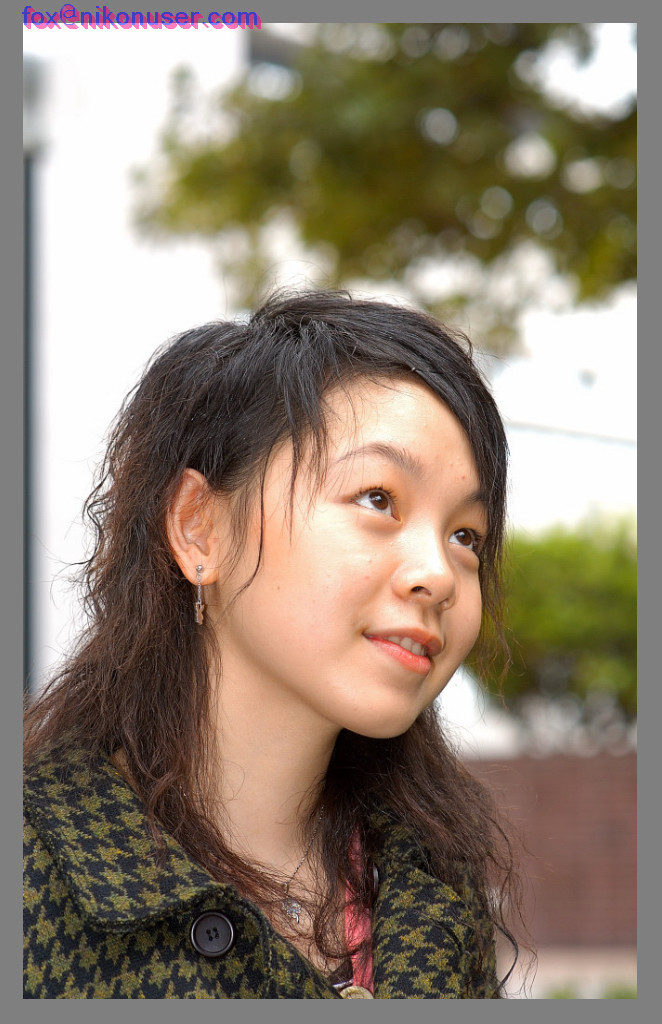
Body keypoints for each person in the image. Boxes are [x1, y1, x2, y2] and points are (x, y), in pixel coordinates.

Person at [24, 290, 523, 999]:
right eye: (378, 499)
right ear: (199, 528)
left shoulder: (434, 891)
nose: (439, 575)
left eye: (465, 535)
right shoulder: (32, 873)